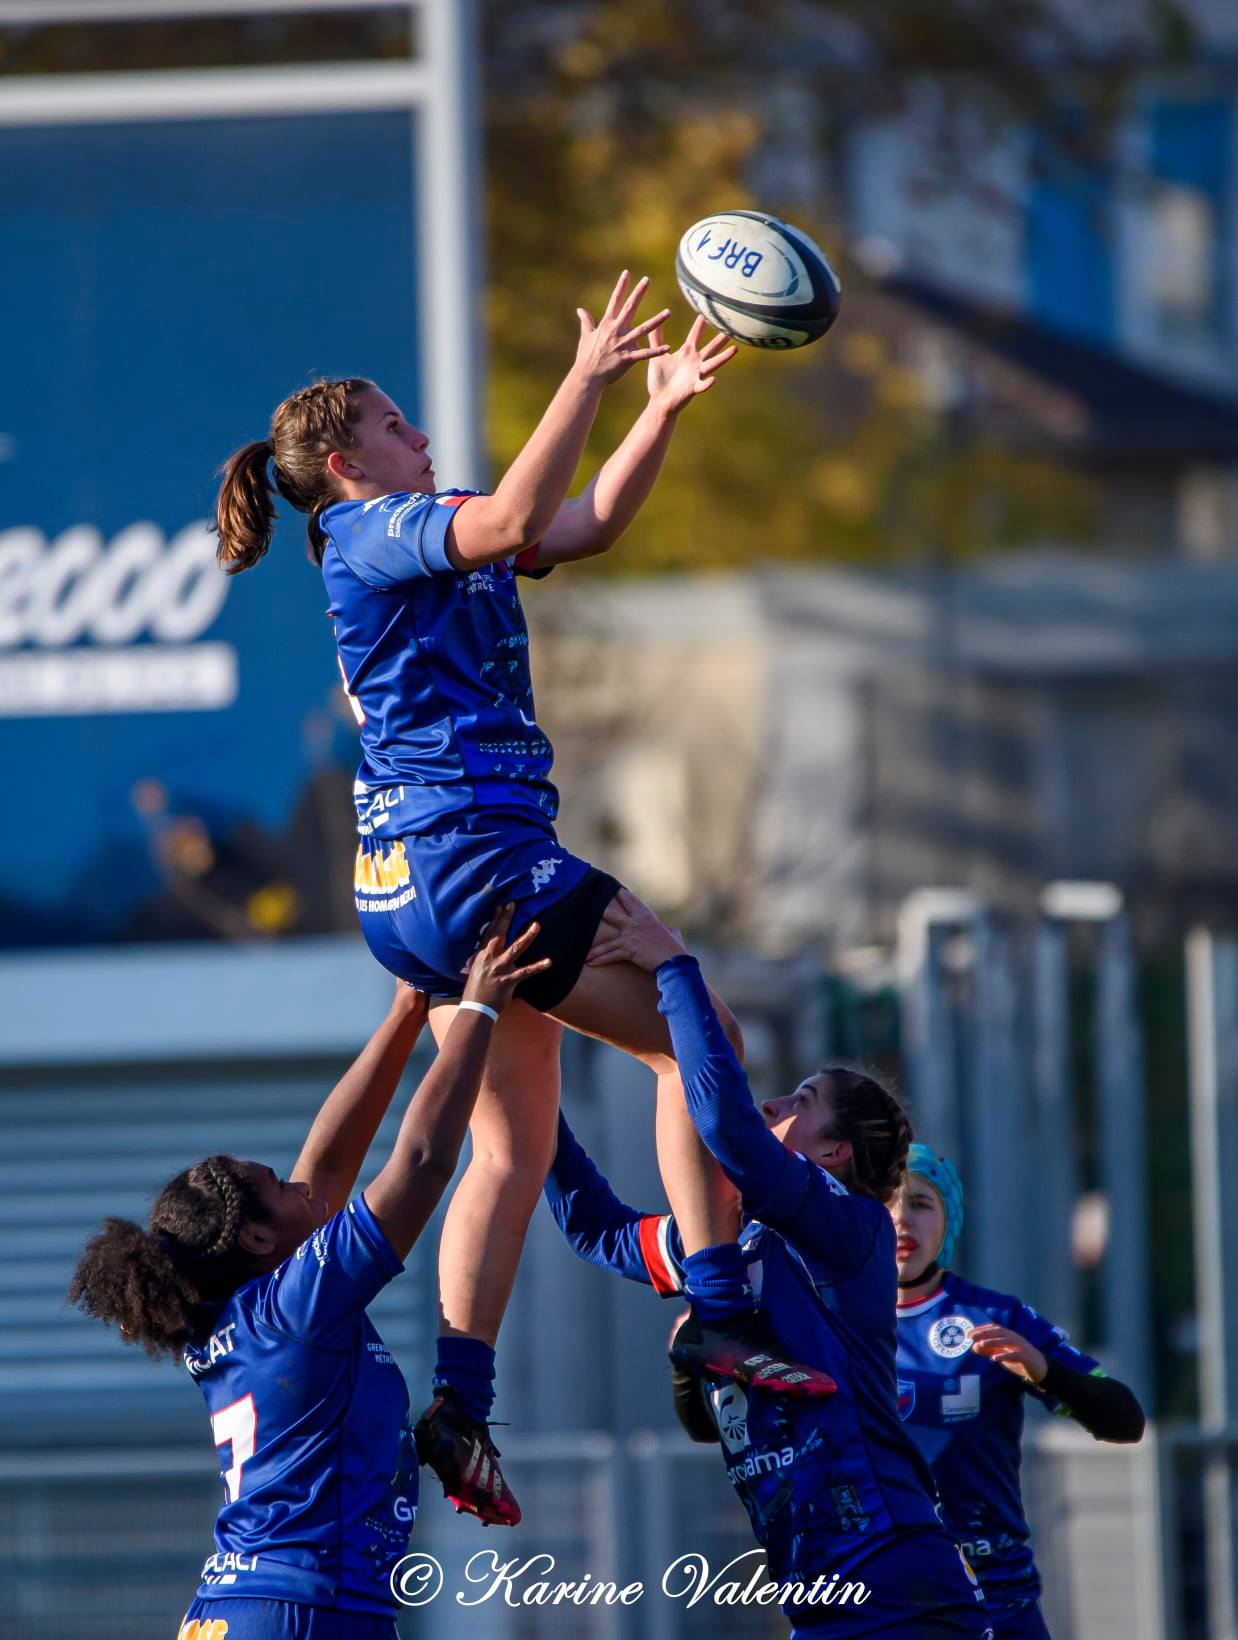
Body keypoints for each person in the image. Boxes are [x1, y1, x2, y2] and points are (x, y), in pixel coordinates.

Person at [212, 275, 829, 1528]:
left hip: (414, 884)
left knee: (510, 1141)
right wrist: (587, 372)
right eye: (396, 425)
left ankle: (463, 1398)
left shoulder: (420, 519)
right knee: (686, 1031)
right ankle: (715, 1315)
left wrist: (651, 409)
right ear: (342, 459)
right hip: (474, 853)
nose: (420, 435)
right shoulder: (370, 533)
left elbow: (578, 523)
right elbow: (505, 519)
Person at [68, 906, 547, 1639]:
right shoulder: (293, 1308)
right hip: (308, 1610)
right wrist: (479, 1005)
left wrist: (407, 1012)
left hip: (237, 1611)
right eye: (276, 1182)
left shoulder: (240, 1316)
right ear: (257, 1235)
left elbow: (323, 1172)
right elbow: (418, 1166)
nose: (303, 1187)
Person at [543, 889, 993, 1637]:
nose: (775, 1100)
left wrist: (675, 968)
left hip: (897, 1582)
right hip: (823, 1603)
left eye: (800, 1101)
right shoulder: (724, 1243)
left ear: (832, 1153)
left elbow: (723, 1126)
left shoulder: (851, 1238)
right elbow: (594, 1228)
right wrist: (529, 1092)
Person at [890, 1145, 1145, 1639]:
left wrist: (1044, 1370)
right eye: (886, 1202)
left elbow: (1126, 1420)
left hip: (996, 1604)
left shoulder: (997, 1318)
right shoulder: (829, 1324)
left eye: (921, 1203)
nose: (902, 1218)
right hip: (877, 1604)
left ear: (950, 1218)